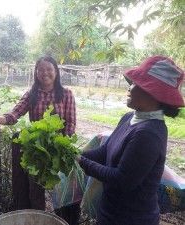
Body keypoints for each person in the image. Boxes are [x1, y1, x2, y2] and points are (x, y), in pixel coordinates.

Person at [77, 55, 185, 225]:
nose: (129, 88)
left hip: (131, 218)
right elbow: (107, 150)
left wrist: (81, 162)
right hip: (111, 212)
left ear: (152, 93)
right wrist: (77, 153)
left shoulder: (149, 134)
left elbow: (121, 180)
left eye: (135, 84)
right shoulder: (129, 118)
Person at [0, 55, 80, 224]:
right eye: (41, 70)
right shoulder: (31, 95)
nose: (45, 73)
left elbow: (71, 123)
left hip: (57, 150)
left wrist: (60, 144)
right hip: (37, 150)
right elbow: (15, 114)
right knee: (35, 191)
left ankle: (61, 220)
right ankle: (36, 219)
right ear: (36, 73)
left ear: (56, 72)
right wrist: (0, 119)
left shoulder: (66, 94)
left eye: (49, 69)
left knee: (60, 191)